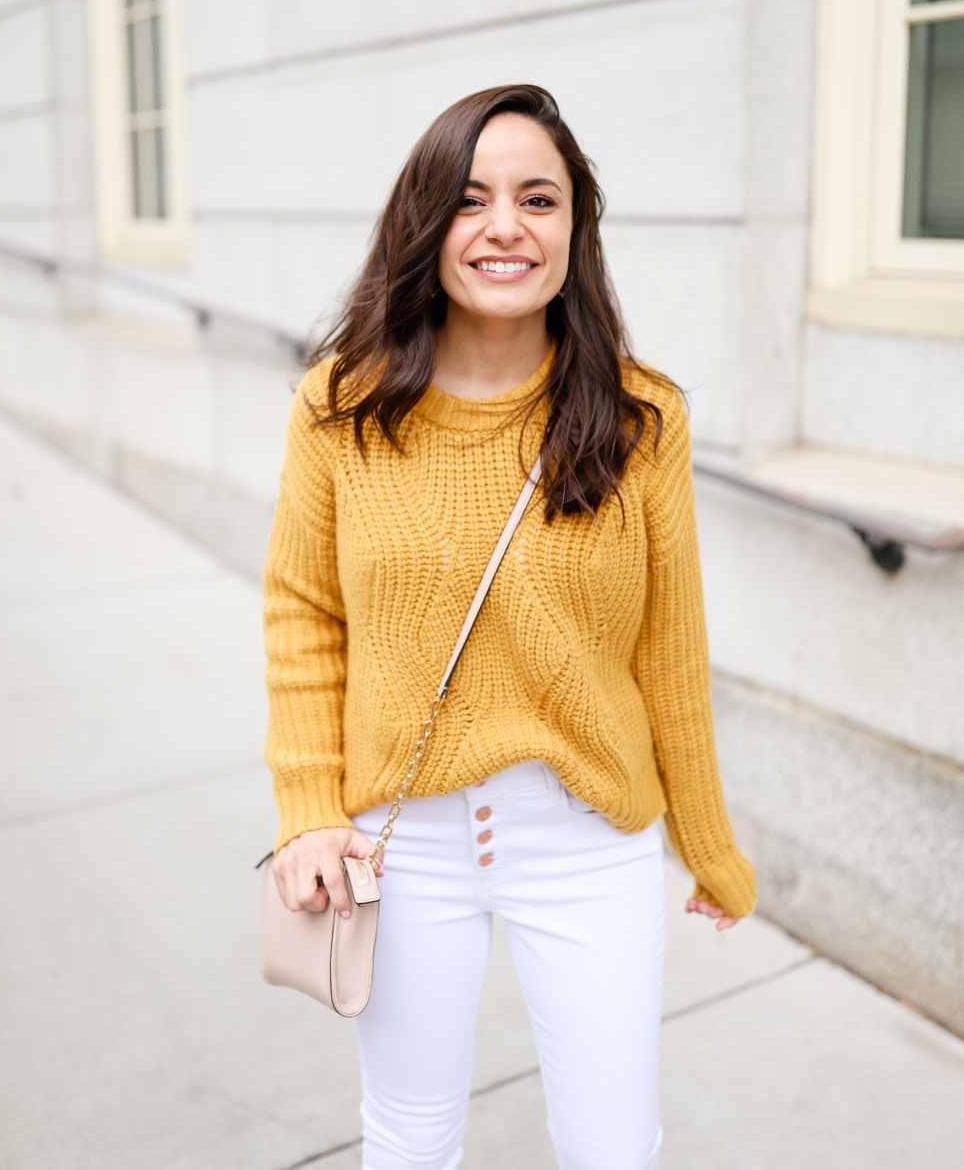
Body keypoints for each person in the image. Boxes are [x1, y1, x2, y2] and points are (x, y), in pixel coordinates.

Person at [262, 84, 756, 1170]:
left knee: (611, 1145)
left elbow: (668, 650)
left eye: (539, 199)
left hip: (586, 837)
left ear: (575, 229)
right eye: (470, 198)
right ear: (424, 222)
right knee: (409, 1134)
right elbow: (304, 615)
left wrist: (707, 842)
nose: (504, 228)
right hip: (403, 840)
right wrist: (306, 809)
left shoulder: (640, 417)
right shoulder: (338, 409)